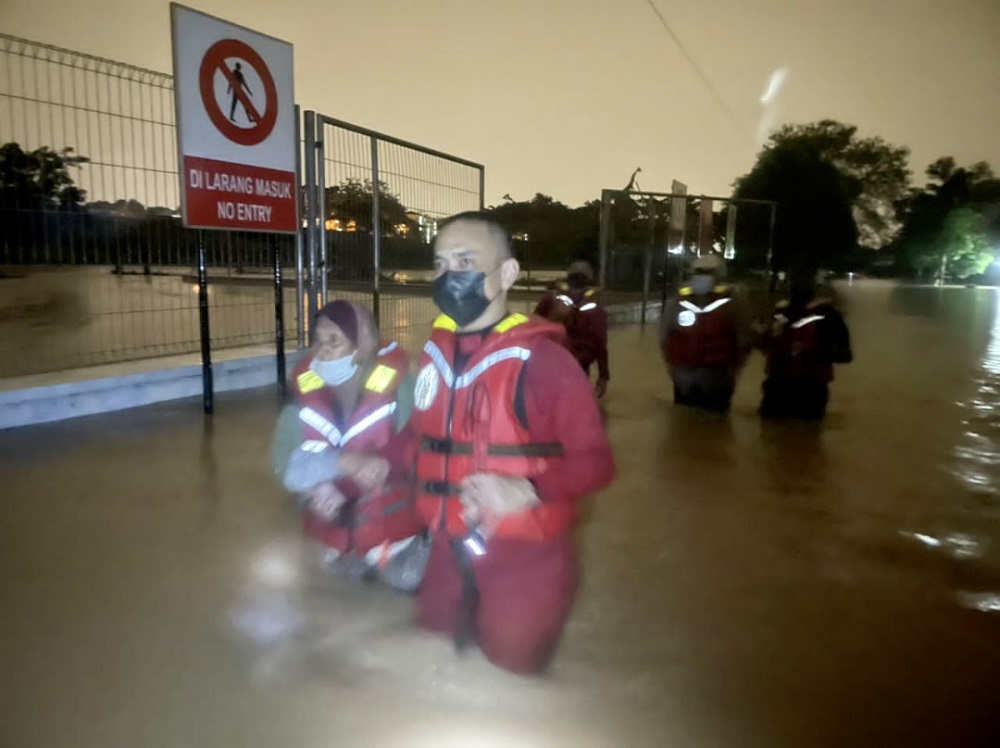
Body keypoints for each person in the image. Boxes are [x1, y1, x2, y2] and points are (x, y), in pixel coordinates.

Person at [411, 212, 614, 674]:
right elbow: (414, 447)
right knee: (429, 670)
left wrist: (528, 489)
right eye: (441, 264)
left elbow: (596, 464)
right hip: (444, 550)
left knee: (509, 680)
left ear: (506, 273)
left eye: (465, 260)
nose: (449, 277)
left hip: (524, 560)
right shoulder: (432, 358)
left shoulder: (545, 363)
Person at [272, 300, 428, 591]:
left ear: (361, 346)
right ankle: (352, 547)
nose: (323, 351)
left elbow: (425, 449)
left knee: (405, 579)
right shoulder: (305, 391)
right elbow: (287, 466)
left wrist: (383, 465)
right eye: (318, 341)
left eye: (334, 341)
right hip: (333, 505)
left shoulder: (402, 385)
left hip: (389, 502)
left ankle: (408, 546)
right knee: (308, 569)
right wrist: (323, 481)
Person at [659, 254, 753, 413]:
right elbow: (665, 338)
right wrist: (673, 370)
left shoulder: (733, 303)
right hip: (685, 379)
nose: (703, 277)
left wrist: (734, 372)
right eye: (700, 272)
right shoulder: (677, 302)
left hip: (718, 378)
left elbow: (744, 340)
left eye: (708, 272)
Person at [758, 272, 853, 420]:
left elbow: (845, 355)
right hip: (783, 388)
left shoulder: (828, 316)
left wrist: (811, 352)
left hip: (806, 388)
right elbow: (764, 344)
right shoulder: (781, 314)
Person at [533, 261, 610, 398]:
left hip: (563, 364)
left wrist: (603, 376)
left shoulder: (551, 299)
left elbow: (532, 328)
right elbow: (600, 343)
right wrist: (603, 375)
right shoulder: (551, 300)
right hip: (563, 364)